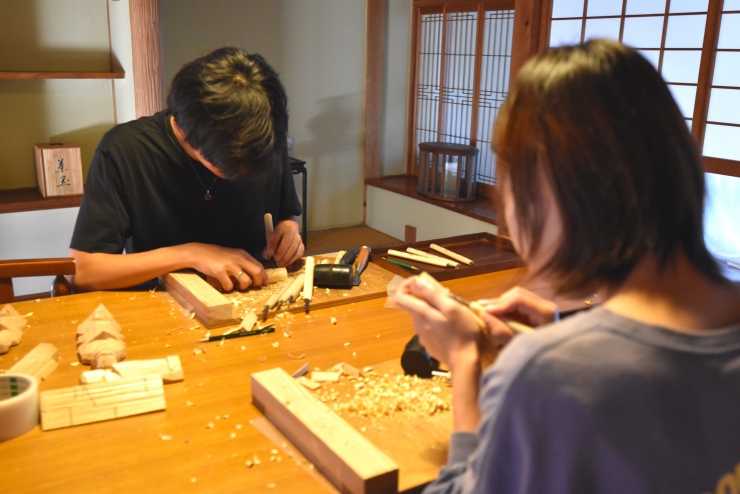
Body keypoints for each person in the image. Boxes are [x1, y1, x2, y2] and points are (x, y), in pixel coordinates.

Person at [394, 39, 740, 493]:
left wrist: (464, 360)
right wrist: (569, 326)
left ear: (560, 188)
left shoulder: (547, 375)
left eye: (508, 179)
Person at [69, 48, 303, 292]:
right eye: (229, 168)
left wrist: (289, 228)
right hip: (164, 303)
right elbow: (83, 271)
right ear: (181, 130)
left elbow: (286, 214)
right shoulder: (124, 151)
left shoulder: (264, 142)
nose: (246, 173)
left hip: (255, 293)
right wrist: (190, 254)